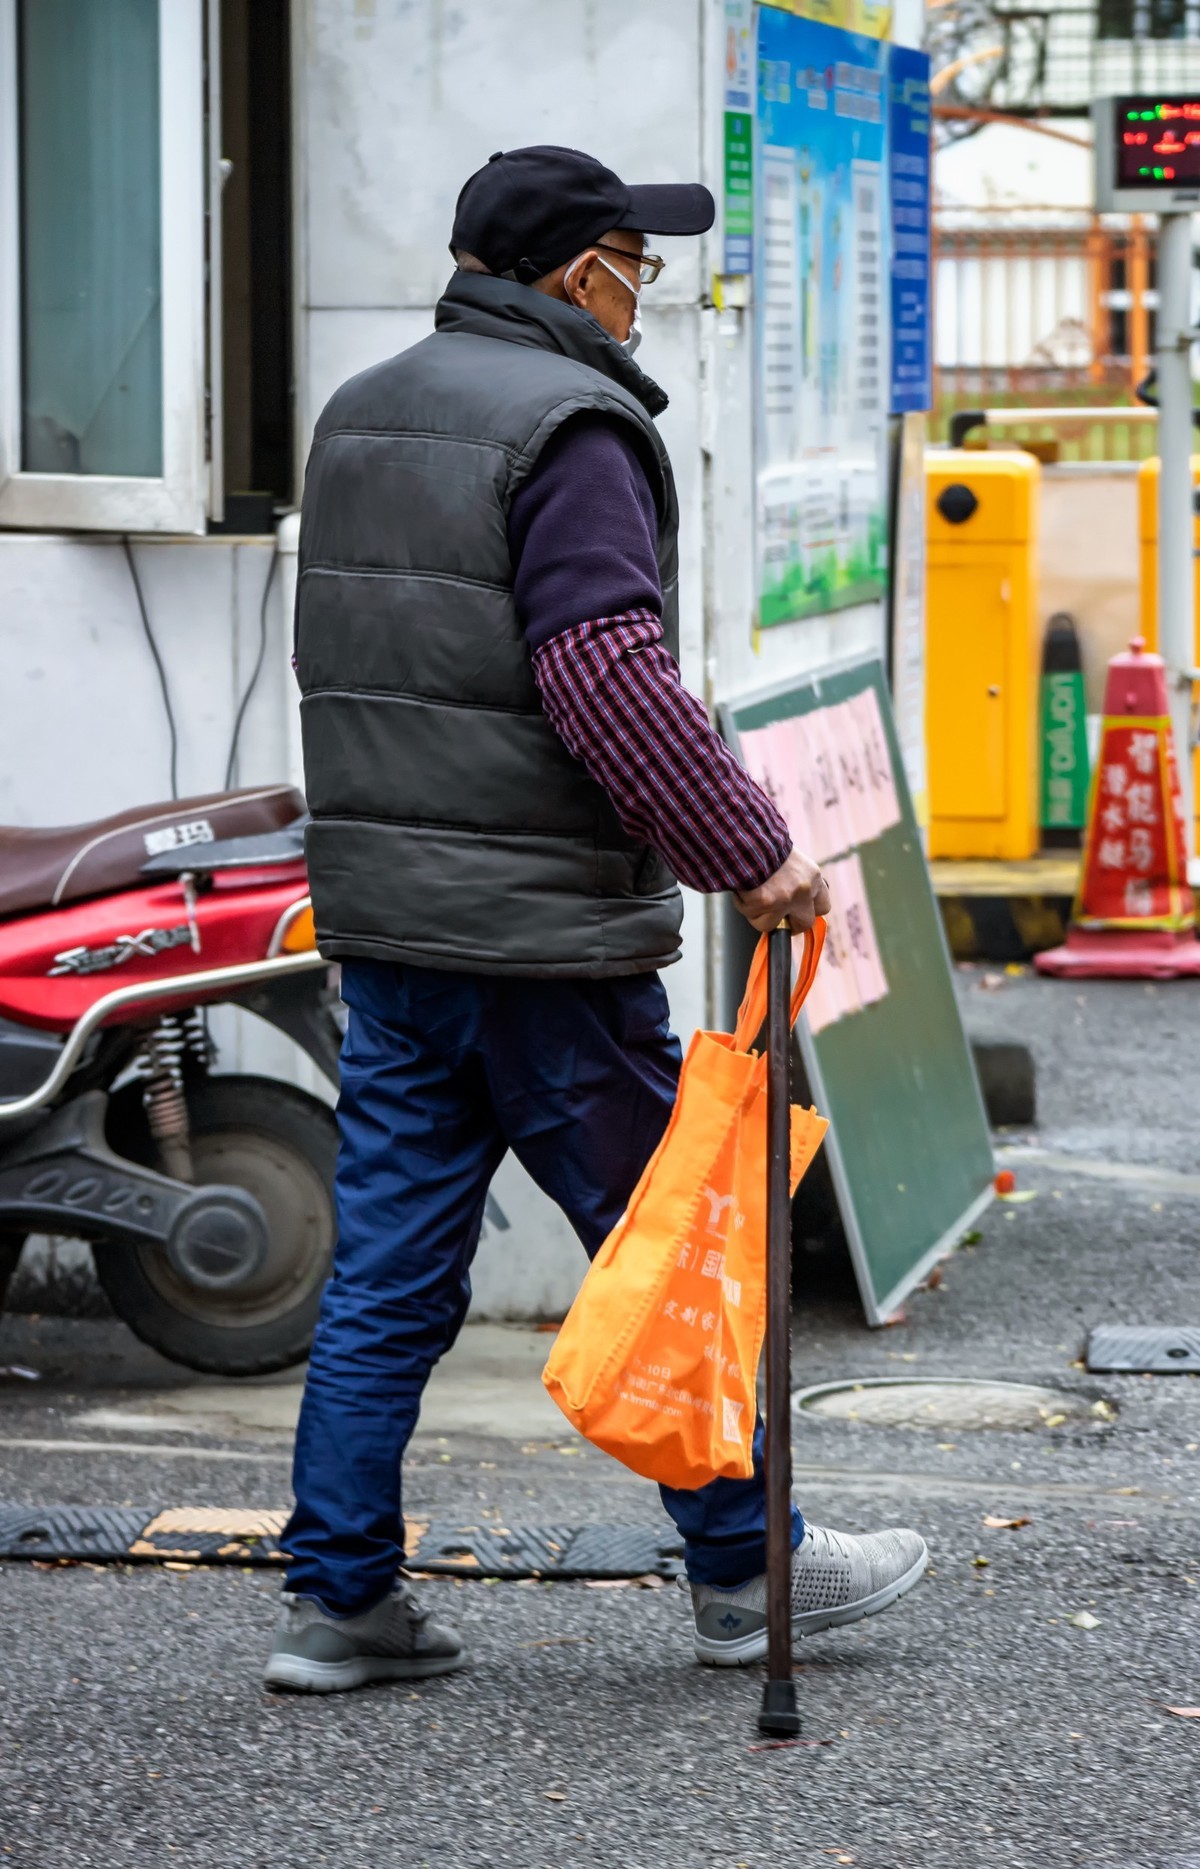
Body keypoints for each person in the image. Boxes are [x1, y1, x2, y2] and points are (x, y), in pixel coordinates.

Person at [265, 145, 926, 1694]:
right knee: (672, 1241)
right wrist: (748, 847)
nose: (650, 294)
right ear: (577, 276)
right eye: (639, 261)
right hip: (542, 944)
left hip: (394, 926)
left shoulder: (362, 412)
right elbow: (599, 674)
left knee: (384, 1276)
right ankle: (743, 1565)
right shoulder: (572, 425)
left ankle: (337, 1597)